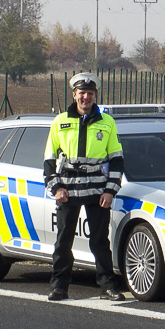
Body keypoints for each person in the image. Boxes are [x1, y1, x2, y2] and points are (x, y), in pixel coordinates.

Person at [43, 72, 125, 301]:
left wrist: (110, 191)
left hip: (98, 190)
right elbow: (49, 160)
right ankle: (59, 286)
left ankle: (108, 286)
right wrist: (56, 188)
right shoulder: (60, 121)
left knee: (100, 241)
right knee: (63, 241)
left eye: (90, 93)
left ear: (95, 96)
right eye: (82, 93)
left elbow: (117, 159)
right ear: (74, 95)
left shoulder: (107, 122)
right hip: (67, 190)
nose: (86, 97)